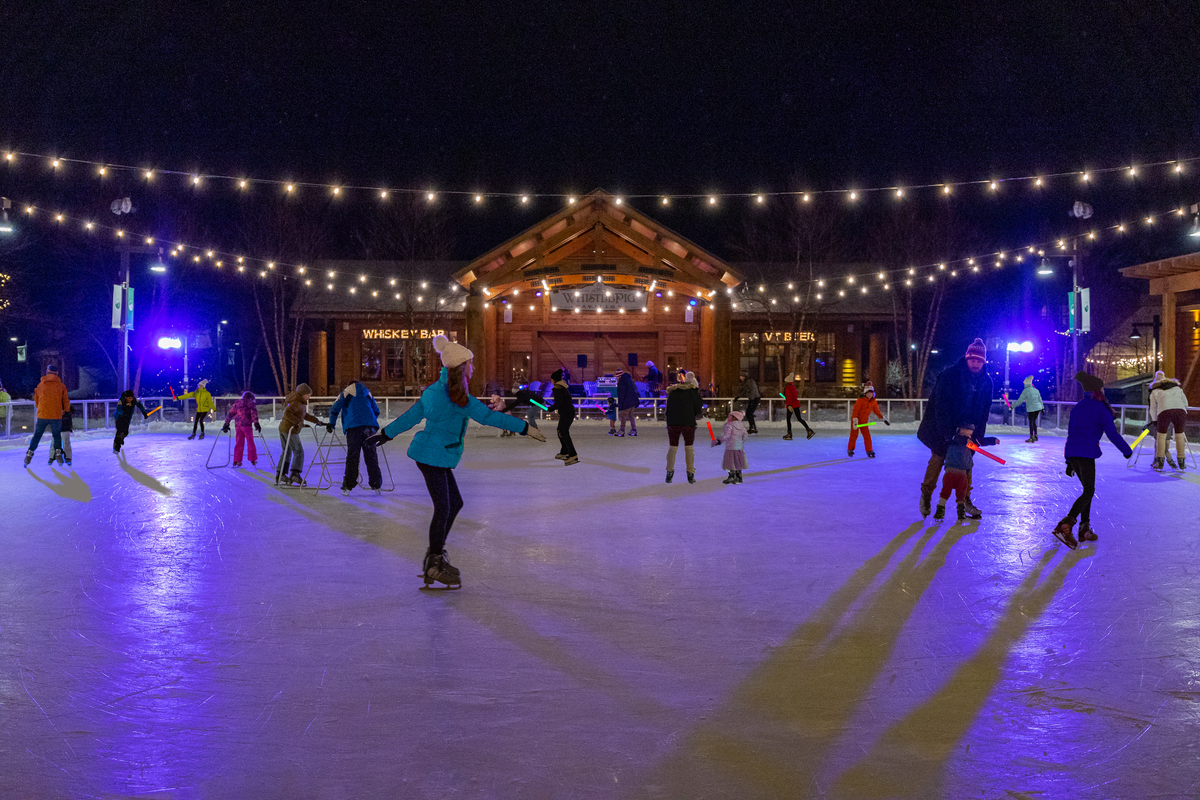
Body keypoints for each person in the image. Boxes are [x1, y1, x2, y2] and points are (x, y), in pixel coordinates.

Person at [366, 334, 546, 588]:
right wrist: (525, 428)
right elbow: (489, 417)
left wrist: (387, 433)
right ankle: (435, 563)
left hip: (430, 455)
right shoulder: (460, 399)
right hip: (433, 456)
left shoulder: (434, 392)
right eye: (470, 363)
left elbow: (411, 416)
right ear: (462, 367)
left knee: (454, 503)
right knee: (444, 508)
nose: (473, 368)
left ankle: (434, 555)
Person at [1052, 371, 1133, 549]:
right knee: (1088, 491)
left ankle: (1084, 530)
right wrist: (1127, 451)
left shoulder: (1078, 406)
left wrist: (1068, 461)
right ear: (1099, 390)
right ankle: (1067, 523)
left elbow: (1070, 434)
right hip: (1086, 454)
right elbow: (1112, 434)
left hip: (1073, 453)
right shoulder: (1101, 408)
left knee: (1087, 491)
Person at [917, 338, 994, 518]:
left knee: (966, 462)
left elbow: (984, 411)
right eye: (972, 360)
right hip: (941, 427)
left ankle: (965, 499)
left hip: (968, 428)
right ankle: (926, 494)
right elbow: (941, 408)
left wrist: (978, 435)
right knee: (938, 457)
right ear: (966, 359)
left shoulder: (986, 382)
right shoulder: (949, 376)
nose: (975, 364)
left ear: (983, 362)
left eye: (979, 361)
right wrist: (948, 435)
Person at [327, 381, 383, 495]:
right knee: (371, 455)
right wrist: (370, 422)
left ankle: (348, 485)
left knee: (353, 456)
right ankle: (376, 483)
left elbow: (335, 408)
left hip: (353, 428)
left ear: (348, 385)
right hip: (369, 427)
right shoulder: (368, 393)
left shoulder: (346, 393)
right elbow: (376, 410)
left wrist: (331, 423)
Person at [277, 383, 326, 487]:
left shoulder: (300, 403)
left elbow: (304, 415)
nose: (309, 397)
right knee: (298, 451)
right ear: (302, 394)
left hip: (285, 428)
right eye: (307, 395)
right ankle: (295, 473)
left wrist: (316, 420)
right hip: (290, 429)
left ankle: (281, 474)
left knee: (287, 451)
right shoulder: (296, 402)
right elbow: (288, 414)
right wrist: (297, 422)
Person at [24, 364, 71, 468]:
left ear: (47, 371)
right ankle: (58, 455)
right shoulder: (61, 386)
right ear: (57, 373)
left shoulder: (41, 385)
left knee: (37, 436)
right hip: (56, 415)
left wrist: (41, 408)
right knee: (56, 436)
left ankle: (29, 454)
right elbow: (65, 400)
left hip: (42, 415)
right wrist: (66, 410)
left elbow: (36, 400)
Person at [665, 370, 704, 484]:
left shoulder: (673, 392)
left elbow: (668, 409)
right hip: (688, 422)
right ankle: (690, 473)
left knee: (673, 447)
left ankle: (669, 472)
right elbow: (698, 410)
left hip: (673, 423)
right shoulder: (693, 392)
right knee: (689, 448)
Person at [1148, 370, 1190, 472]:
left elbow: (1152, 408)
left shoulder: (1154, 391)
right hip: (1180, 411)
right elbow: (1186, 403)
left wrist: (1155, 421)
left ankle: (1159, 462)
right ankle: (1182, 462)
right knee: (1180, 435)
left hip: (1164, 411)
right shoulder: (1177, 388)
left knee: (1161, 436)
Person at [934, 424, 975, 520]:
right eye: (969, 431)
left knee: (961, 493)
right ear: (962, 430)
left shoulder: (968, 443)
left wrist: (993, 440)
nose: (971, 434)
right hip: (950, 472)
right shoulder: (953, 439)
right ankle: (940, 510)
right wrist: (965, 440)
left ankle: (961, 512)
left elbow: (970, 454)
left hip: (962, 473)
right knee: (945, 492)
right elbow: (957, 439)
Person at [847, 381, 889, 457]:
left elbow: (876, 411)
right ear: (865, 393)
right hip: (856, 420)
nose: (870, 394)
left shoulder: (873, 402)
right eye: (868, 393)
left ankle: (869, 450)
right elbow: (855, 410)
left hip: (864, 422)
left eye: (871, 393)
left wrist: (883, 418)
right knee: (854, 435)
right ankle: (850, 449)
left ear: (873, 393)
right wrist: (855, 420)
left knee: (867, 436)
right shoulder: (860, 400)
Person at [547, 368, 578, 465]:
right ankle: (564, 452)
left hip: (567, 413)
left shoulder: (558, 388)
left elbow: (558, 402)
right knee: (560, 431)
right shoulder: (562, 387)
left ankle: (573, 455)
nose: (551, 381)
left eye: (551, 379)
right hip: (567, 412)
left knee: (564, 433)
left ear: (554, 380)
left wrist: (550, 409)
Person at [222, 391, 262, 467]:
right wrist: (256, 423)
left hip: (238, 427)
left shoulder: (236, 404)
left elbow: (230, 413)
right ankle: (253, 459)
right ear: (251, 398)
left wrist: (226, 423)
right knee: (250, 442)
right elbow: (253, 414)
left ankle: (237, 461)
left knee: (239, 443)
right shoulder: (251, 404)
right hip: (247, 426)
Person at [718, 408, 749, 484]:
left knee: (730, 462)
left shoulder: (729, 425)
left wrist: (719, 440)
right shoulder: (741, 425)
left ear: (734, 417)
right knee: (738, 462)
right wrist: (741, 441)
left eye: (731, 416)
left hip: (731, 447)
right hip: (739, 447)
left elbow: (726, 435)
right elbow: (745, 434)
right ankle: (739, 477)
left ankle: (732, 476)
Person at [113, 389, 148, 454]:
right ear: (126, 397)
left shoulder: (134, 400)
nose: (131, 399)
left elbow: (139, 405)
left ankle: (120, 439)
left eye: (131, 398)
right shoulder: (121, 400)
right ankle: (117, 447)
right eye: (129, 398)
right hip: (119, 417)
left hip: (127, 418)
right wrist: (123, 413)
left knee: (125, 432)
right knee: (120, 431)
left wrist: (144, 412)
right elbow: (118, 409)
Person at [782, 373, 815, 441]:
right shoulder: (793, 387)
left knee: (788, 419)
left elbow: (789, 397)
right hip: (796, 404)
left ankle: (789, 434)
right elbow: (792, 396)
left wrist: (789, 405)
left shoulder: (787, 388)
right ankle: (809, 430)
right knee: (799, 418)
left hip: (791, 405)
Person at [1012, 375, 1044, 443]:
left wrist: (1012, 406)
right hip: (1038, 408)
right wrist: (1042, 408)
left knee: (1031, 422)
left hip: (1032, 408)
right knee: (1033, 421)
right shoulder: (1036, 390)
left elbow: (1019, 401)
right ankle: (1035, 436)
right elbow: (1040, 399)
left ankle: (1031, 437)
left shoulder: (1025, 391)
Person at [616, 367, 639, 436]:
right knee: (631, 415)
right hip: (633, 401)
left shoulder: (622, 382)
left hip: (626, 401)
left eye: (616, 377)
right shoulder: (630, 380)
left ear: (619, 376)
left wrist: (621, 403)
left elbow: (621, 394)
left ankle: (622, 430)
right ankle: (634, 429)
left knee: (623, 415)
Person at [59, 403, 74, 467]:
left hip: (66, 426)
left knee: (66, 443)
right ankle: (59, 458)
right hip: (57, 427)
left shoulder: (67, 404)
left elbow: (72, 410)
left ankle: (68, 458)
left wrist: (65, 411)